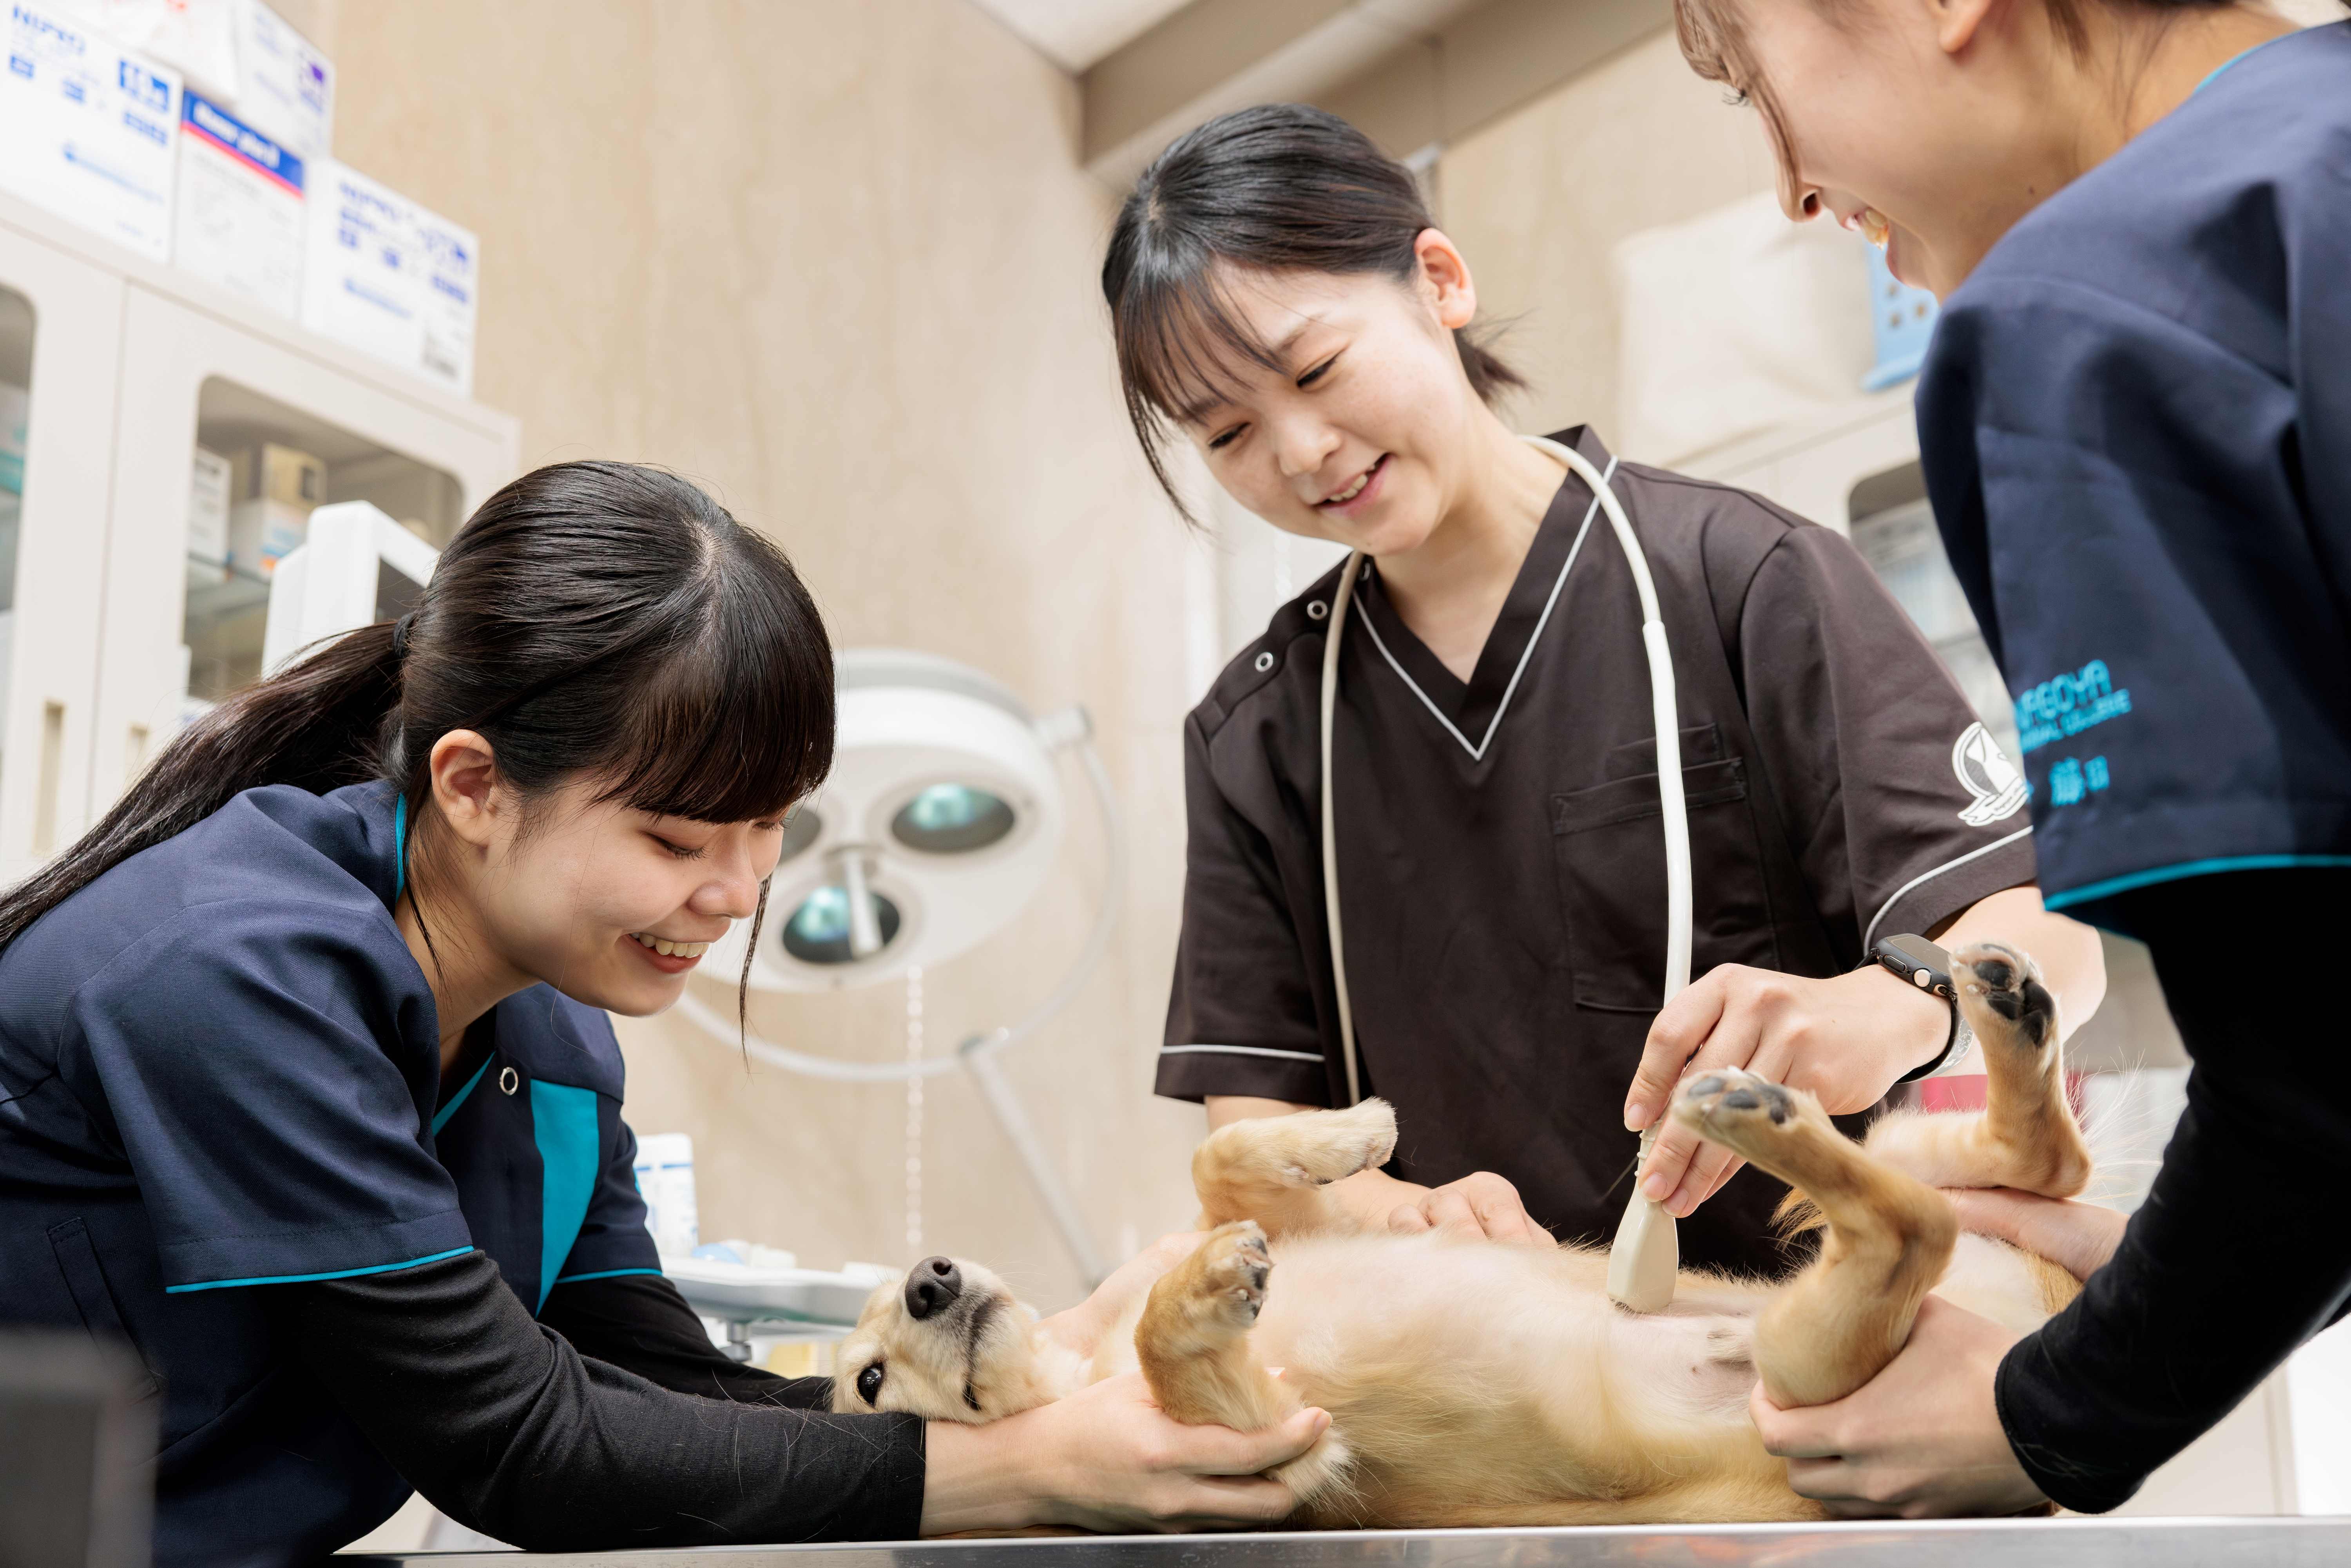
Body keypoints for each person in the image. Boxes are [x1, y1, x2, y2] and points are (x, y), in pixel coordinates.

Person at [0, 462, 1325, 1561]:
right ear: (473, 785)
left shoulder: (551, 1041)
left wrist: (1021, 1393)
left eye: (769, 826)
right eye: (678, 838)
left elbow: (662, 1384)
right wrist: (1023, 1471)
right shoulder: (235, 972)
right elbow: (517, 1443)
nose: (739, 892)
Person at [1103, 105, 2105, 1275]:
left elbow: (2052, 935)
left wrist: (1892, 1008)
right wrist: (1399, 1217)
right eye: (1228, 435)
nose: (1301, 452)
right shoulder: (1258, 736)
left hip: (1801, 1342)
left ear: (1439, 281)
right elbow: (1258, 1134)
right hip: (1475, 1365)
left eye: (1317, 370)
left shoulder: (1742, 577)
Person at [1669, 0, 2351, 1515]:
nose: (1790, 190)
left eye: (1758, 88)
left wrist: (2052, 1412)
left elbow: (2317, 1063)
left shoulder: (2087, 312)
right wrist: (2201, 1280)